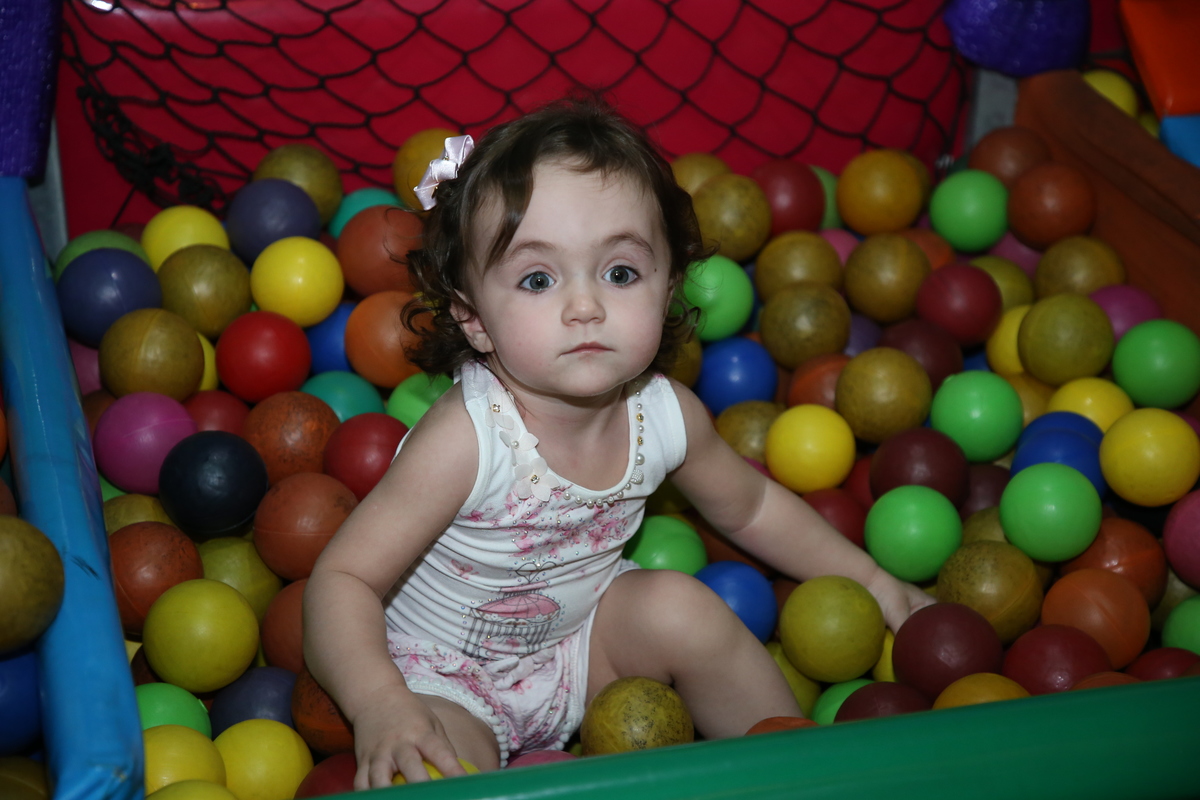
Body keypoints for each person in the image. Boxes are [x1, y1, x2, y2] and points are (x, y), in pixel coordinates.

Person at [304, 95, 933, 790]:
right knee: (425, 768)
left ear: (667, 289)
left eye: (621, 273)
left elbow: (752, 508)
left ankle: (796, 768)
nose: (586, 306)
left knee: (680, 608)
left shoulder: (663, 417)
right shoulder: (467, 439)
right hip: (441, 678)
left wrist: (872, 580)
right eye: (538, 279)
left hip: (580, 648)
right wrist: (380, 703)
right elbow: (342, 580)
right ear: (474, 317)